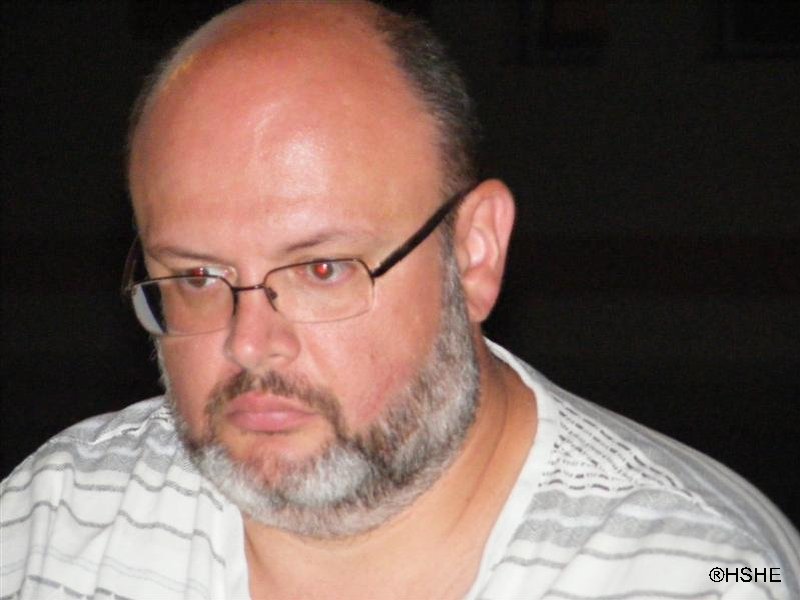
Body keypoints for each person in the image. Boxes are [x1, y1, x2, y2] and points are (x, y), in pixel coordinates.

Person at [1, 1, 798, 598]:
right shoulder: (53, 519)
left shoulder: (699, 570)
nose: (248, 343)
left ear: (474, 254)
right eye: (198, 278)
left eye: (321, 269)